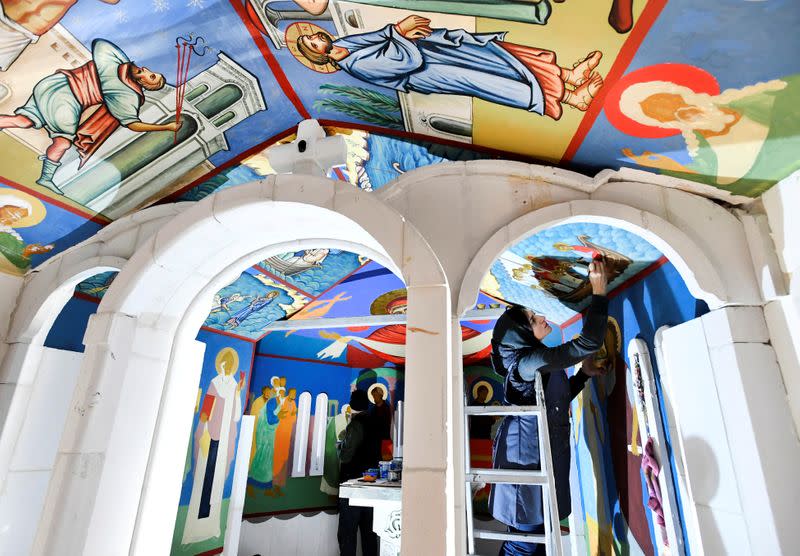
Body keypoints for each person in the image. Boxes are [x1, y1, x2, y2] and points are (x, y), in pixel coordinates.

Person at [488, 258, 610, 555]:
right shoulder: (528, 364)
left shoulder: (536, 361)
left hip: (538, 460)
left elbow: (554, 405)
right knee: (526, 543)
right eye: (532, 319)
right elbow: (589, 341)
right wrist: (599, 291)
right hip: (526, 465)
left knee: (539, 538)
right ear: (521, 335)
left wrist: (583, 374)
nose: (540, 318)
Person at [295, 15, 603, 121]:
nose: (314, 37)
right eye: (310, 43)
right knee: (492, 81)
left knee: (495, 54)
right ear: (319, 57)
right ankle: (571, 99)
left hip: (432, 49)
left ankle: (567, 75)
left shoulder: (347, 41)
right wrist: (401, 33)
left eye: (310, 35)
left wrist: (398, 32)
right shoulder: (354, 65)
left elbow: (383, 35)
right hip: (431, 71)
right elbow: (405, 62)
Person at [0, 38, 179, 193]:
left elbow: (133, 124)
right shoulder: (117, 63)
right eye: (151, 72)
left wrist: (165, 127)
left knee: (24, 121)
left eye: (152, 76)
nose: (147, 69)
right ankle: (45, 178)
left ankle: (45, 175)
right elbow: (100, 45)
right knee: (62, 142)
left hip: (53, 86)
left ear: (146, 85)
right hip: (65, 94)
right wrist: (166, 127)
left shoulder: (126, 93)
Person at [337, 389, 381, 556]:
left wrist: (340, 444)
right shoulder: (374, 422)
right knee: (369, 534)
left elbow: (345, 455)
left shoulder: (356, 424)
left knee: (347, 534)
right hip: (371, 485)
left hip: (353, 487)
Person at [0, 193, 53, 274]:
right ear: (2, 206)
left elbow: (21, 263)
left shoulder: (9, 234)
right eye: (15, 214)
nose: (14, 219)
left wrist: (27, 252)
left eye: (19, 218)